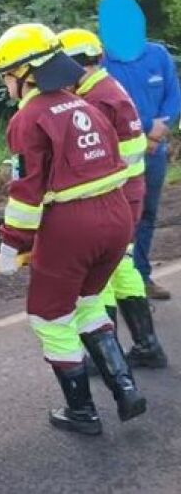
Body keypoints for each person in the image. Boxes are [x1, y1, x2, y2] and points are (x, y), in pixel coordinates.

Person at [0, 22, 145, 435]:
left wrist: (11, 246)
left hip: (72, 227)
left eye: (6, 76)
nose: (6, 85)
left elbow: (27, 193)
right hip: (116, 218)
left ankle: (82, 413)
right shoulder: (84, 104)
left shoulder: (29, 120)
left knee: (50, 318)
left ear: (24, 74)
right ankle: (126, 388)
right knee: (90, 303)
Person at [58, 28, 167, 369]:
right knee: (123, 268)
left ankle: (104, 357)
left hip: (113, 198)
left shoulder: (94, 101)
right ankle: (147, 346)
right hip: (128, 195)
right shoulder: (107, 87)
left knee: (99, 274)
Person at [100, 0, 180, 300]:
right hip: (118, 160)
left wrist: (161, 129)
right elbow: (106, 107)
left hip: (155, 154)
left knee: (148, 215)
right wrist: (147, 127)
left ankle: (141, 277)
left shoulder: (157, 55)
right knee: (120, 219)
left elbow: (174, 95)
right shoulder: (103, 63)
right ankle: (112, 282)